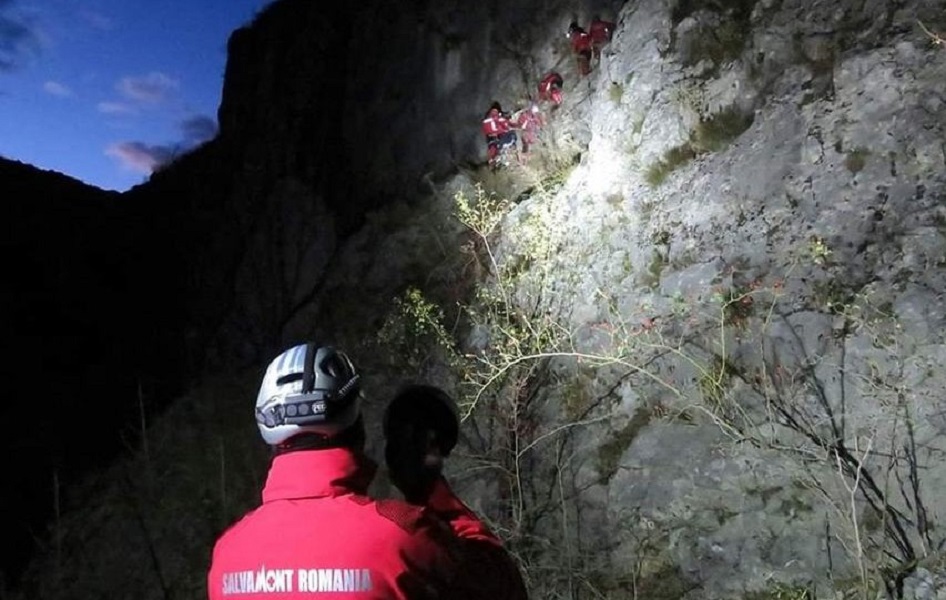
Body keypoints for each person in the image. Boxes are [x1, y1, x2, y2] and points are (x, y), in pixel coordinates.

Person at [206, 343, 527, 599]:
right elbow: (502, 586)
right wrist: (428, 486)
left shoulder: (226, 556)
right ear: (357, 427)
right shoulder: (403, 536)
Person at [383, 384, 528, 600]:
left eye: (417, 441)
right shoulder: (468, 534)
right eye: (399, 441)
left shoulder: (469, 542)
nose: (402, 455)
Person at [481, 101, 518, 169]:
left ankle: (492, 162)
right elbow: (505, 123)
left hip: (491, 137)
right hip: (496, 137)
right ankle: (512, 154)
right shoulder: (497, 117)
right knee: (511, 136)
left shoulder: (488, 116)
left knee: (493, 147)